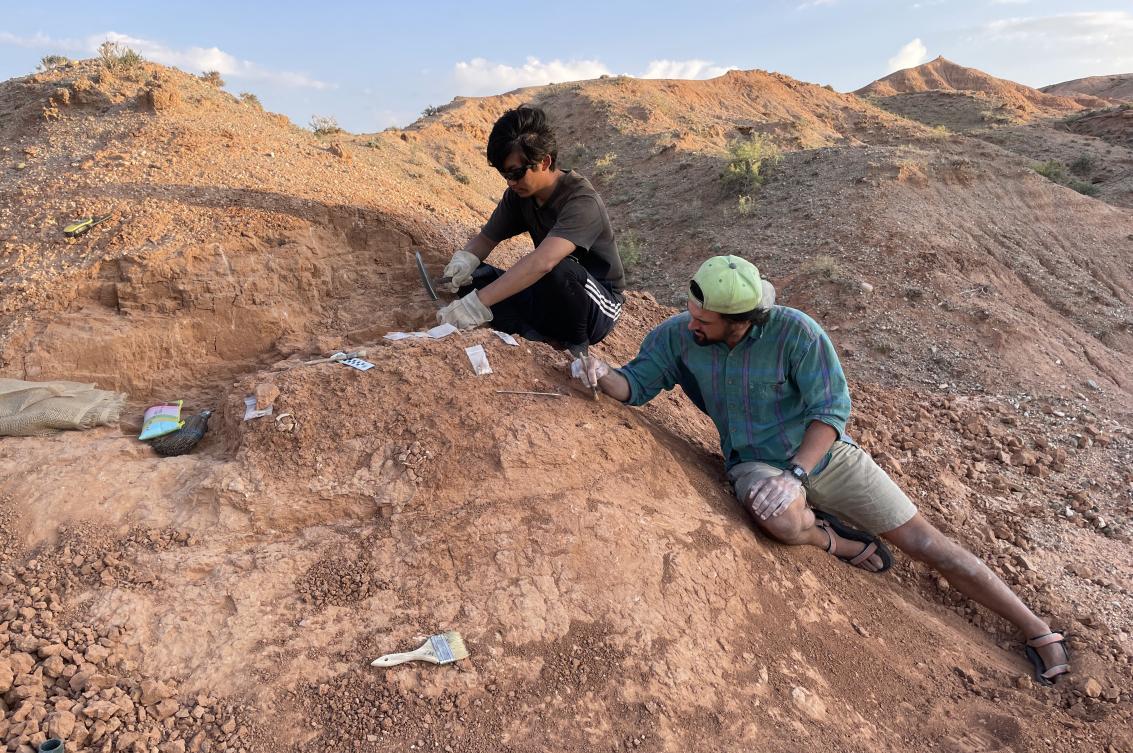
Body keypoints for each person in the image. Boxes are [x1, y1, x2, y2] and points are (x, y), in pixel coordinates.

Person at [571, 254, 1070, 686]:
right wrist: (602, 374)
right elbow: (636, 385)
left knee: (926, 544)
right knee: (783, 520)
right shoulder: (679, 337)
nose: (691, 323)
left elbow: (830, 412)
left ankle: (1035, 627)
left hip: (823, 455)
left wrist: (798, 475)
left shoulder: (796, 332)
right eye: (692, 311)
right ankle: (836, 541)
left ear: (743, 319)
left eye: (705, 319)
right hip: (756, 461)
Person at [436, 105, 625, 356]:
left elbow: (542, 263)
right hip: (550, 296)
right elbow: (486, 238)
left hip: (595, 306)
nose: (510, 182)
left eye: (516, 173)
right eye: (505, 174)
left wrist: (476, 305)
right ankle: (533, 338)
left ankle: (576, 345)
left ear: (544, 161)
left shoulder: (581, 201)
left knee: (558, 268)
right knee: (476, 278)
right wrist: (464, 261)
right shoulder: (519, 195)